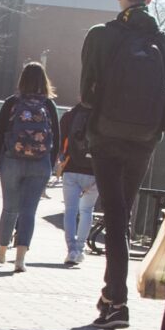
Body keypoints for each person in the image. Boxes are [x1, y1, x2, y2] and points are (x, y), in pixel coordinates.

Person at [80, 0, 165, 330]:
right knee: (124, 211)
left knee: (117, 216)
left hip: (106, 136)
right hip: (144, 139)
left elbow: (87, 93)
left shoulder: (100, 36)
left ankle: (116, 301)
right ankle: (111, 297)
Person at [0, 63, 63, 271]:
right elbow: (56, 138)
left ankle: (2, 250)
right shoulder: (48, 105)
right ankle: (20, 259)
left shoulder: (12, 102)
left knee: (10, 208)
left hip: (12, 161)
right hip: (40, 163)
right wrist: (50, 163)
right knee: (29, 211)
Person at [58, 104, 98, 267]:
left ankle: (71, 249)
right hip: (94, 171)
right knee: (87, 211)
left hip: (71, 168)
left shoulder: (70, 115)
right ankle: (80, 249)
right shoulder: (103, 115)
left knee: (70, 211)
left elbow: (61, 143)